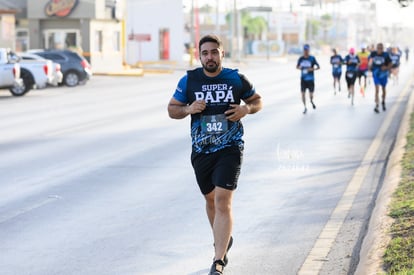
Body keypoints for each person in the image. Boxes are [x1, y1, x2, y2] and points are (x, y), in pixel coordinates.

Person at [167, 34, 262, 275]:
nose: (210, 57)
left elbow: (257, 101)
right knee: (210, 200)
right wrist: (188, 108)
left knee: (222, 200)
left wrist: (246, 109)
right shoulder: (189, 81)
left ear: (222, 53)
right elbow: (172, 109)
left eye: (214, 52)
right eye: (205, 53)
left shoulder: (235, 78)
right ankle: (223, 239)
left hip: (230, 148)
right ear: (199, 56)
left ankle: (218, 260)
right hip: (201, 150)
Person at [368, 42, 392, 113]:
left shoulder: (386, 55)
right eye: (378, 48)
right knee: (377, 89)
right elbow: (370, 61)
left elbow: (391, 64)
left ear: (383, 49)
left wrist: (386, 67)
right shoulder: (373, 54)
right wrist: (369, 66)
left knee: (383, 89)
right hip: (376, 74)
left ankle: (383, 101)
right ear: (376, 48)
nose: (379, 50)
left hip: (384, 75)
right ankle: (376, 105)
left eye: (381, 48)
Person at [296, 44, 320, 114]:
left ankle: (311, 101)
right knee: (303, 94)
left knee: (311, 95)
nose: (306, 51)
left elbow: (318, 67)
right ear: (303, 50)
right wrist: (300, 68)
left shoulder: (312, 58)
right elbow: (297, 66)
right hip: (303, 79)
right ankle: (305, 107)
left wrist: (312, 69)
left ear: (309, 50)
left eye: (307, 50)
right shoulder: (301, 58)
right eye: (305, 50)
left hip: (311, 80)